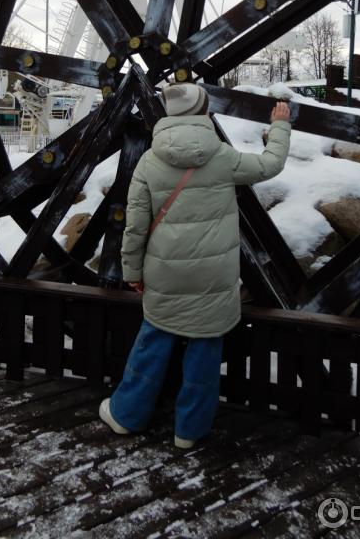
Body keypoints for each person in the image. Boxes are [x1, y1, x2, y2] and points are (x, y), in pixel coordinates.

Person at [99, 82, 291, 448]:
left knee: (152, 345)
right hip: (213, 279)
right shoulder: (221, 156)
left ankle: (126, 414)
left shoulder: (149, 162)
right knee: (204, 352)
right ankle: (189, 430)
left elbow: (136, 227)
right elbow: (270, 164)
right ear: (204, 113)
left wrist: (133, 273)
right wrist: (280, 125)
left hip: (165, 273)